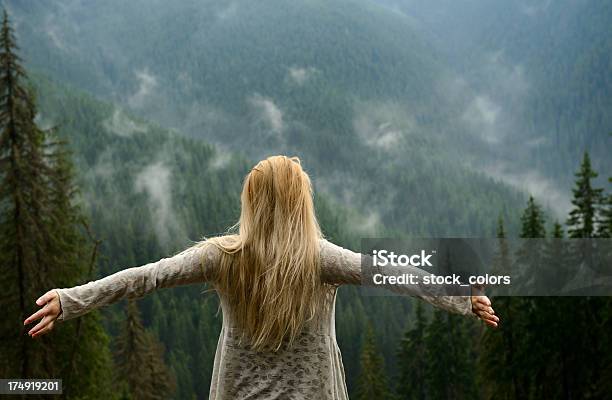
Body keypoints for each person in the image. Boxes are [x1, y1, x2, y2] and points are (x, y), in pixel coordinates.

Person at [24, 155, 498, 399]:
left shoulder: (224, 257)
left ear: (252, 204)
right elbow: (394, 273)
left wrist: (72, 300)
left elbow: (146, 277)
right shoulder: (319, 259)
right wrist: (462, 296)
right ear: (300, 204)